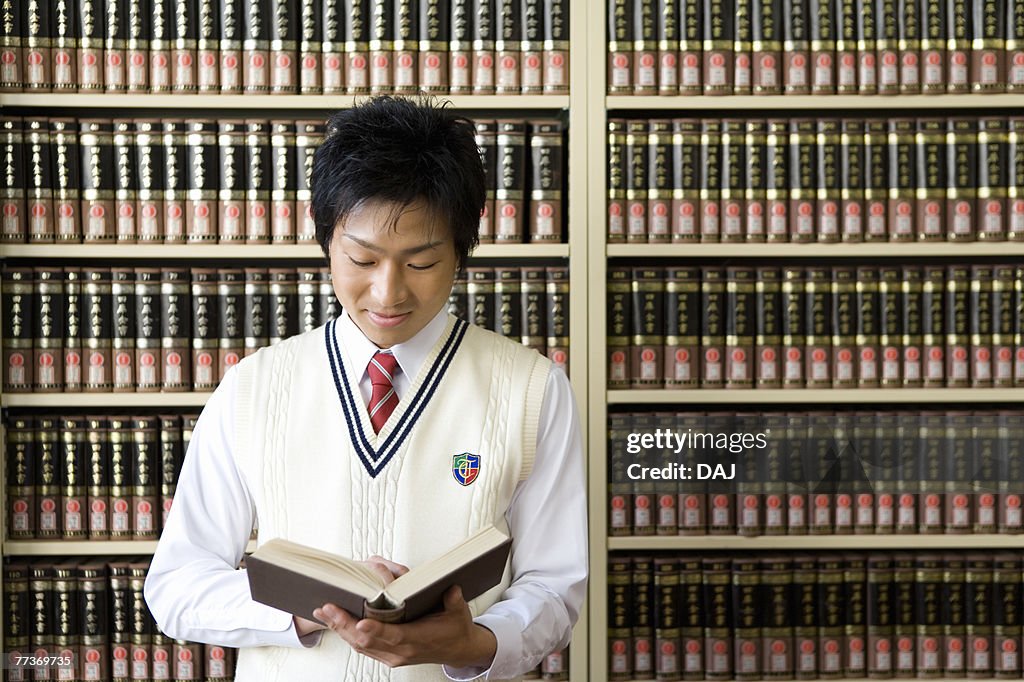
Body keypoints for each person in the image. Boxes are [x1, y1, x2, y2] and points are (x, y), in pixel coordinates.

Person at [143, 96, 588, 682]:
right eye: (362, 258)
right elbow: (177, 586)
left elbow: (555, 586)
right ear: (328, 242)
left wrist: (473, 643)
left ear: (462, 250)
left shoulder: (532, 388)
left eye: (422, 263)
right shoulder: (253, 387)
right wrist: (305, 611)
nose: (387, 293)